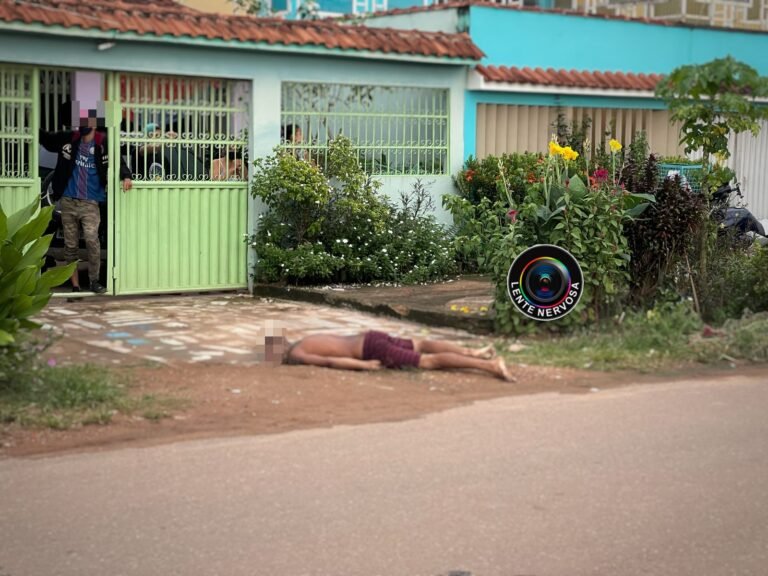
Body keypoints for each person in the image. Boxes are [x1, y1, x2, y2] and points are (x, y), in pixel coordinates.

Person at [40, 113, 132, 293]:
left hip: (91, 203)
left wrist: (126, 176)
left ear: (95, 124)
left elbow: (118, 160)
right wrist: (30, 118)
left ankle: (94, 281)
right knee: (71, 246)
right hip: (68, 201)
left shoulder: (103, 143)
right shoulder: (69, 139)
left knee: (92, 242)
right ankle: (75, 286)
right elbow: (46, 140)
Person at [266, 330, 515, 382]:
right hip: (371, 337)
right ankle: (472, 351)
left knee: (429, 362)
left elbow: (330, 361)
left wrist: (363, 366)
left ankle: (491, 365)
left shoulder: (298, 353)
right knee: (421, 344)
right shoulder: (304, 339)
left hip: (371, 350)